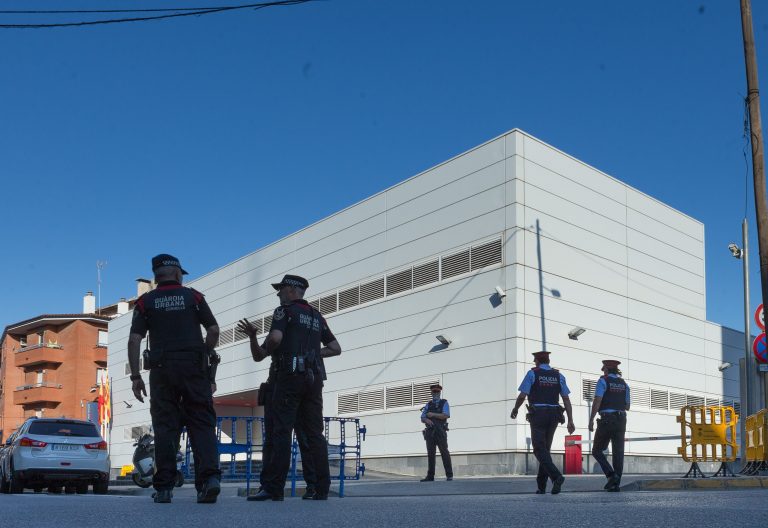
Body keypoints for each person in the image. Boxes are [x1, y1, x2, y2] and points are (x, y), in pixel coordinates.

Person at [127, 254, 222, 504]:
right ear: (178, 273)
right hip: (194, 369)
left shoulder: (146, 302)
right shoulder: (194, 297)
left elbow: (134, 339)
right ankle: (209, 481)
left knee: (165, 428)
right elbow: (213, 330)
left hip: (162, 371)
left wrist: (136, 377)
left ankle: (164, 488)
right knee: (201, 425)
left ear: (156, 276)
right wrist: (205, 352)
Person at [245, 274, 341, 502]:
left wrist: (258, 339)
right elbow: (335, 348)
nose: (278, 294)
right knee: (313, 434)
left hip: (287, 378)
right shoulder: (317, 316)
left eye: (280, 289)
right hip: (313, 379)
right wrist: (311, 354)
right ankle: (319, 488)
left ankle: (273, 488)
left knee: (281, 432)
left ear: (290, 290)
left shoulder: (284, 311)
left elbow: (274, 340)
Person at [510, 351, 575, 495]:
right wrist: (570, 420)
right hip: (554, 415)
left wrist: (515, 409)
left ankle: (556, 477)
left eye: (535, 361)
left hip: (538, 414)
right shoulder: (559, 376)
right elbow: (566, 399)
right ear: (548, 361)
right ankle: (542, 486)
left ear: (538, 361)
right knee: (544, 450)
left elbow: (522, 395)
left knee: (539, 449)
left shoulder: (533, 373)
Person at [588, 359, 630, 492]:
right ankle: (616, 484)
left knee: (596, 450)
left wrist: (591, 419)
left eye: (604, 369)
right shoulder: (624, 384)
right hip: (621, 419)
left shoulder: (603, 381)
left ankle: (611, 475)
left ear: (606, 369)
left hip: (607, 419)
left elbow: (597, 401)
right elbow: (627, 406)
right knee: (618, 452)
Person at [420, 384, 453, 482]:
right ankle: (430, 476)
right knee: (430, 454)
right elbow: (422, 417)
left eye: (437, 391)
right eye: (434, 392)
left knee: (444, 453)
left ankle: (449, 475)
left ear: (440, 392)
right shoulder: (428, 404)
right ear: (431, 393)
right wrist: (426, 420)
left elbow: (446, 415)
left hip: (440, 431)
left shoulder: (444, 403)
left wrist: (432, 415)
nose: (435, 393)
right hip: (430, 432)